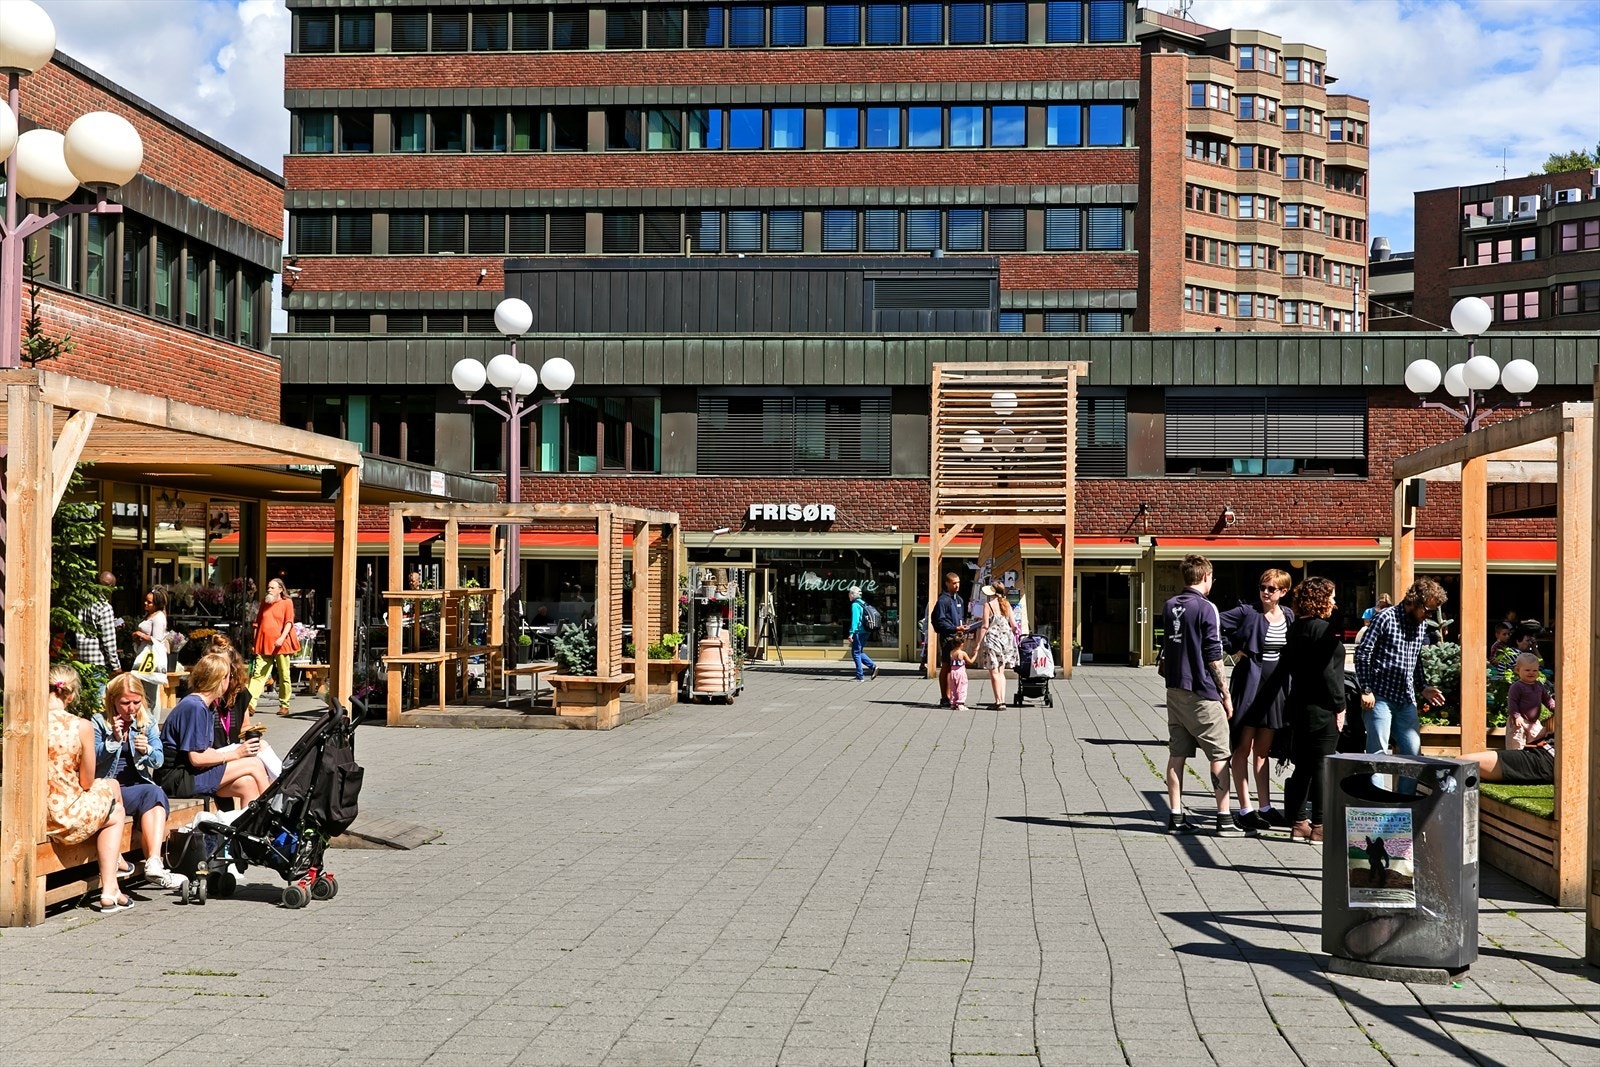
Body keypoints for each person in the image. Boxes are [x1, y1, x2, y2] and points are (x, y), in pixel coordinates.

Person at [1160, 554, 1238, 836]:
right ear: (1206, 576)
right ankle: (1224, 818)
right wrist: (1225, 693)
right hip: (1202, 689)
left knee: (1176, 754)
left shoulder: (1170, 606)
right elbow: (1214, 654)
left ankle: (1176, 816)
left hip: (1174, 688)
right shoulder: (1207, 608)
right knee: (1219, 755)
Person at [44, 665, 132, 913]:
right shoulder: (81, 726)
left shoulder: (28, 723)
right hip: (65, 817)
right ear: (70, 695)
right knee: (115, 810)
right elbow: (87, 781)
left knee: (111, 790)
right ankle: (110, 886)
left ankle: (113, 882)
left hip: (37, 813)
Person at [93, 675, 186, 890]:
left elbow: (160, 759)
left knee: (154, 793)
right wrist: (113, 741)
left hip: (136, 787)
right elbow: (92, 759)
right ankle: (153, 863)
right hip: (107, 789)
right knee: (150, 794)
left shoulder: (146, 722)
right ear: (113, 700)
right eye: (125, 703)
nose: (131, 708)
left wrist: (148, 750)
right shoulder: (98, 722)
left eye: (136, 702)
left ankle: (154, 862)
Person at [1220, 568, 1295, 832]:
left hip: (1276, 687)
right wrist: (1233, 647)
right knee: (1242, 747)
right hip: (1250, 683)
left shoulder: (1288, 615)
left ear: (1283, 592)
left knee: (1263, 750)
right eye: (1263, 587)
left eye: (1271, 589)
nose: (1265, 592)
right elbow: (1215, 624)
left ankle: (1265, 806)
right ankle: (1245, 808)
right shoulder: (1246, 611)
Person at [1280, 578, 1346, 844]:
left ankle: (1298, 823)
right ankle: (1320, 825)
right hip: (1322, 709)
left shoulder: (1296, 628)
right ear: (1320, 599)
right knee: (1322, 767)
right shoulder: (1324, 631)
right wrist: (1340, 707)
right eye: (1331, 597)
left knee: (1302, 767)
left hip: (1299, 705)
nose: (1334, 602)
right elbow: (1329, 675)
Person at [158, 652, 272, 806]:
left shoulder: (204, 705)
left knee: (247, 783)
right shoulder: (195, 707)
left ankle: (249, 827)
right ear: (220, 680)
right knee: (254, 764)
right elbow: (197, 758)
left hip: (192, 772)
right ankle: (272, 812)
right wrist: (237, 753)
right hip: (178, 778)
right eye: (228, 677)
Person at [1353, 578, 1447, 761]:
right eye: (1428, 611)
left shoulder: (1421, 626)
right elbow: (1363, 653)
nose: (1429, 616)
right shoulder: (1385, 617)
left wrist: (1422, 687)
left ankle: (1405, 792)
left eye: (1433, 613)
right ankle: (1374, 791)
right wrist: (1366, 689)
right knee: (1377, 755)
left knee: (1413, 755)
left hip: (1405, 699)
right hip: (1379, 697)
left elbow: (1415, 658)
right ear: (1413, 602)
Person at [247, 577, 301, 716]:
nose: (269, 590)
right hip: (264, 643)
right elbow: (257, 623)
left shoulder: (287, 602)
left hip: (281, 644)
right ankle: (250, 704)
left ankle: (284, 704)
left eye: (272, 587)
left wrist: (281, 638)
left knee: (284, 674)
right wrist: (255, 642)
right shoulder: (265, 603)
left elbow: (289, 622)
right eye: (268, 587)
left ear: (280, 589)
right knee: (258, 674)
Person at [974, 583, 1019, 709]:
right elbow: (1014, 624)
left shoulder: (988, 605)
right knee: (1001, 672)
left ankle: (998, 701)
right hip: (1006, 641)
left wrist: (977, 644)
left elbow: (984, 626)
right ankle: (1003, 701)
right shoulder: (1007, 604)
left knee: (994, 671)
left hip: (993, 640)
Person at [931, 571, 969, 708]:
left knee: (957, 667)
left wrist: (963, 627)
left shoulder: (959, 599)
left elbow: (960, 617)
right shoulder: (943, 600)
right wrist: (954, 628)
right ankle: (944, 697)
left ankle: (955, 696)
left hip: (959, 637)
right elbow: (938, 621)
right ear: (947, 584)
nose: (957, 585)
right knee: (947, 665)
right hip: (948, 637)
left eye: (958, 582)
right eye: (954, 583)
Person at [75, 570, 122, 673]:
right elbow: (109, 640)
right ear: (109, 587)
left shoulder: (82, 602)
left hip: (81, 658)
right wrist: (116, 666)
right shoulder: (105, 607)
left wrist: (111, 623)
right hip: (98, 661)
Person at [1505, 652, 1553, 751]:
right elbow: (1512, 703)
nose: (1531, 673)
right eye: (1527, 670)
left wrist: (1555, 708)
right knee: (1516, 743)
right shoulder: (1517, 687)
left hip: (1533, 721)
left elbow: (1547, 699)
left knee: (1539, 737)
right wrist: (1516, 716)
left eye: (1535, 670)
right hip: (1518, 721)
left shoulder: (1539, 686)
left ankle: (1532, 756)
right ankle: (1516, 758)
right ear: (1518, 670)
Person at [846, 585, 878, 681]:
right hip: (866, 631)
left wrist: (851, 633)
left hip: (859, 632)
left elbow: (855, 620)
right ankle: (873, 667)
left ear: (852, 594)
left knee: (855, 652)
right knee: (859, 651)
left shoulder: (855, 605)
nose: (848, 596)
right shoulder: (863, 603)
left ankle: (860, 676)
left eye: (849, 594)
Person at [943, 635, 972, 712]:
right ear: (962, 644)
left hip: (953, 672)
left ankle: (953, 703)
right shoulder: (962, 653)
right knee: (961, 687)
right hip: (960, 673)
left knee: (953, 688)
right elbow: (970, 662)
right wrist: (975, 654)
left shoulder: (951, 652)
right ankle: (960, 703)